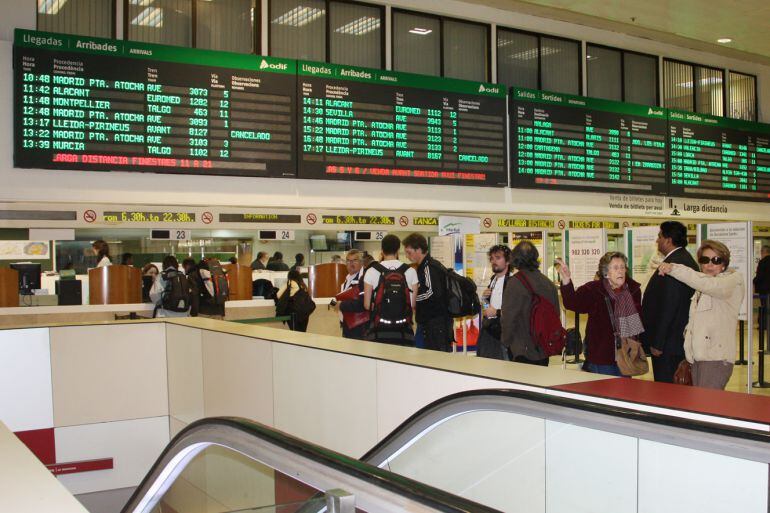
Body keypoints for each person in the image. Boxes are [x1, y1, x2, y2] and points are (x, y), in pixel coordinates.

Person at [657, 240, 744, 389]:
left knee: (708, 407)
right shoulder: (701, 289)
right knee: (700, 407)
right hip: (697, 358)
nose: (709, 265)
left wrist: (674, 269)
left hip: (715, 360)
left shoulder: (731, 281)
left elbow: (709, 285)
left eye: (716, 260)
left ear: (724, 263)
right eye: (704, 260)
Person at [559, 252, 644, 376]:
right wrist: (566, 279)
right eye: (615, 268)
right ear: (606, 273)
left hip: (626, 353)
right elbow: (572, 303)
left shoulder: (633, 290)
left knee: (624, 392)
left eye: (622, 267)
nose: (620, 271)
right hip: (602, 356)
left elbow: (637, 322)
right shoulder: (594, 290)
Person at [641, 221, 699, 383]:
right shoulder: (682, 259)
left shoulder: (676, 265)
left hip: (668, 345)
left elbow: (669, 306)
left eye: (659, 236)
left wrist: (658, 343)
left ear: (668, 240)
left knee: (667, 390)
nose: (657, 241)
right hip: (673, 342)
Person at [501, 241, 558, 366]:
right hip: (544, 348)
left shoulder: (515, 283)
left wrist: (505, 342)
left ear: (515, 258)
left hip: (521, 350)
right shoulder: (549, 284)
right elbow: (555, 315)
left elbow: (508, 318)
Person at [363, 234, 419, 346]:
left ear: (382, 250)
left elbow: (367, 305)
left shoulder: (371, 271)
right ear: (398, 250)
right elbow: (413, 304)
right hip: (403, 330)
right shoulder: (410, 271)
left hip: (379, 330)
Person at [403, 233, 454, 352]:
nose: (407, 256)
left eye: (409, 253)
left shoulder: (429, 267)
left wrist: (412, 299)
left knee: (434, 361)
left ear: (419, 250)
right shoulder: (425, 266)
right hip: (431, 323)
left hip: (436, 325)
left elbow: (431, 292)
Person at [477, 245, 512, 360]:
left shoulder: (512, 282)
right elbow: (487, 310)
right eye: (492, 258)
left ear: (508, 261)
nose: (493, 261)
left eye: (498, 258)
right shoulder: (493, 279)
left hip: (503, 334)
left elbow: (514, 311)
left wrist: (496, 312)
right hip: (489, 331)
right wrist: (484, 299)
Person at [333, 249, 368, 340]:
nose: (351, 263)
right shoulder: (347, 279)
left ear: (361, 262)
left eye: (354, 260)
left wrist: (341, 305)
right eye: (348, 261)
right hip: (348, 324)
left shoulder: (365, 279)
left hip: (360, 326)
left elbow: (362, 303)